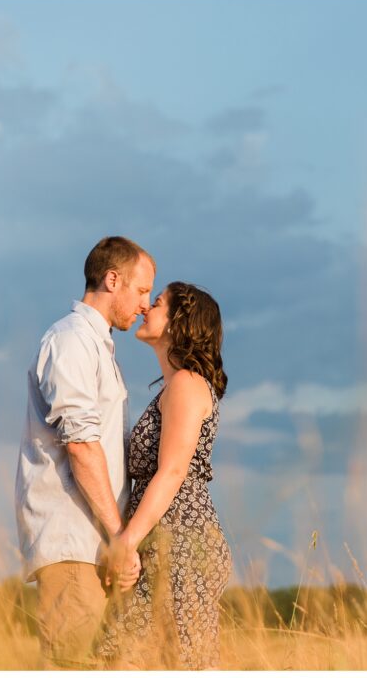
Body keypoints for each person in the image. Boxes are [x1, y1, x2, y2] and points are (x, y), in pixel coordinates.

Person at [14, 236, 156, 669]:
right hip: (76, 542)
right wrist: (119, 537)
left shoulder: (96, 344)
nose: (146, 304)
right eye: (142, 290)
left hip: (93, 546)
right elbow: (79, 445)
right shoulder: (72, 340)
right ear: (113, 280)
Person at [96, 281, 233, 670]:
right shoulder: (175, 386)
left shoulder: (187, 385)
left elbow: (173, 472)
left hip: (179, 543)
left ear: (177, 323)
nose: (144, 308)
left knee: (172, 660)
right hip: (164, 541)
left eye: (156, 303)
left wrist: (127, 540)